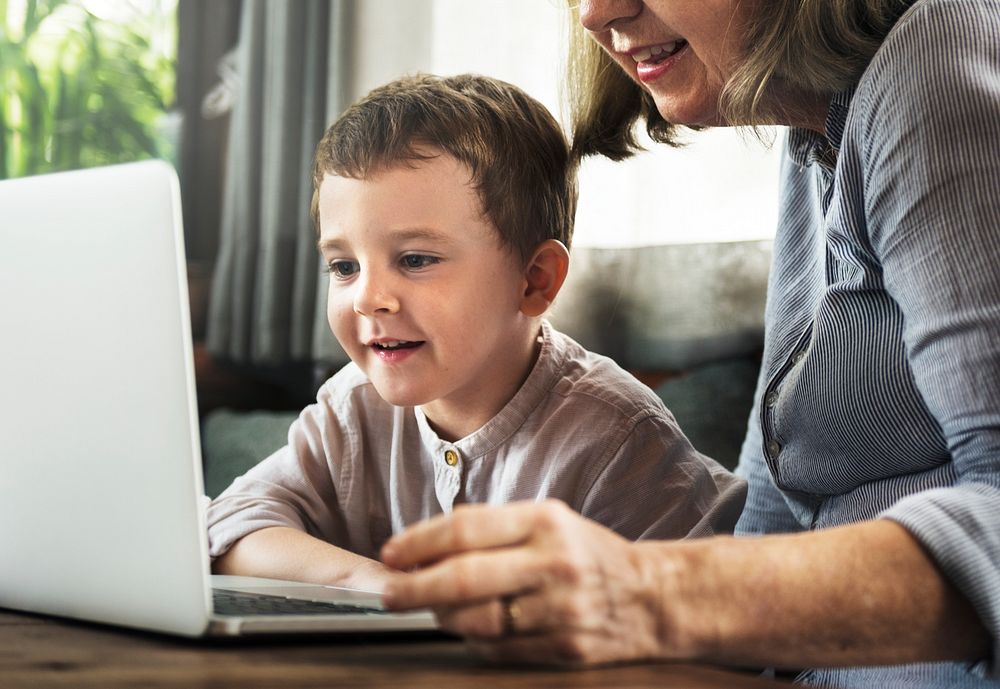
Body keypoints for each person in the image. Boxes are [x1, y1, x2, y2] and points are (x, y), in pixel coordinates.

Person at [379, 1, 1000, 686]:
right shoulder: (814, 134)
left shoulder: (938, 55)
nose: (596, 12)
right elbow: (776, 513)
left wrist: (646, 591)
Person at [206, 74, 746, 593]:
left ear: (533, 281)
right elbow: (232, 523)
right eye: (344, 267)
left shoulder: (619, 439)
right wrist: (374, 586)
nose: (369, 297)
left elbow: (705, 620)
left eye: (415, 259)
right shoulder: (351, 408)